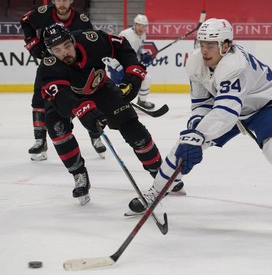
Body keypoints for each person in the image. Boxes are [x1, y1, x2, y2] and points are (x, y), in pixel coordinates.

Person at [126, 18, 272, 232]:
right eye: (202, 43)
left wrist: (197, 136)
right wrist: (193, 134)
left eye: (211, 45)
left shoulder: (235, 64)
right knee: (182, 146)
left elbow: (226, 112)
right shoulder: (196, 62)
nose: (205, 50)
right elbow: (202, 104)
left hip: (264, 107)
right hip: (231, 110)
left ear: (225, 46)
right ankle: (155, 193)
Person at [38, 23, 184, 206]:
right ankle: (79, 174)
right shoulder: (48, 67)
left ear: (73, 40)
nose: (65, 53)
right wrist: (84, 109)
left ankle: (160, 173)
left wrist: (133, 73)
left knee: (131, 125)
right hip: (69, 98)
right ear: (50, 52)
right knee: (56, 127)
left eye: (67, 45)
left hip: (100, 88)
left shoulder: (91, 39)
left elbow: (121, 46)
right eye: (57, 50)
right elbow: (63, 98)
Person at [20, 0, 106, 161]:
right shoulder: (43, 13)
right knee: (39, 98)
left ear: (71, 0)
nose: (62, 3)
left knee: (85, 98)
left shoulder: (82, 20)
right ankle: (40, 140)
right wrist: (32, 43)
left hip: (74, 67)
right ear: (53, 1)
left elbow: (89, 43)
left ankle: (95, 135)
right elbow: (25, 21)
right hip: (50, 64)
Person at [104, 14, 155, 110]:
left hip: (128, 64)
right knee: (118, 87)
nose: (141, 28)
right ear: (135, 24)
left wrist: (144, 54)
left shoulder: (142, 34)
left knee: (146, 78)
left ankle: (142, 101)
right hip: (116, 64)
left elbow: (138, 49)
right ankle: (111, 105)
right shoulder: (126, 34)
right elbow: (115, 49)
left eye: (144, 26)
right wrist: (117, 67)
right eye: (139, 25)